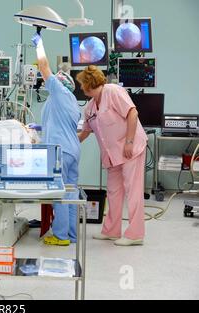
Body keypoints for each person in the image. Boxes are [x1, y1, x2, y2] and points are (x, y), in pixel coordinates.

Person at [77, 65, 148, 246]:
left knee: (133, 191)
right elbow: (84, 133)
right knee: (114, 192)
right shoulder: (90, 107)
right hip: (112, 155)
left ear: (88, 83)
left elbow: (132, 113)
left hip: (130, 148)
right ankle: (111, 231)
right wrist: (66, 144)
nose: (81, 88)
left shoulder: (113, 91)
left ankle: (135, 235)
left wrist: (129, 142)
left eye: (82, 84)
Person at [32, 33, 81, 246]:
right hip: (72, 150)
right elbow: (61, 124)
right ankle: (70, 235)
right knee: (70, 194)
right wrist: (40, 127)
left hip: (59, 151)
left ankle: (60, 236)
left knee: (59, 193)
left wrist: (40, 45)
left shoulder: (58, 91)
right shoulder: (71, 101)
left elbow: (43, 67)